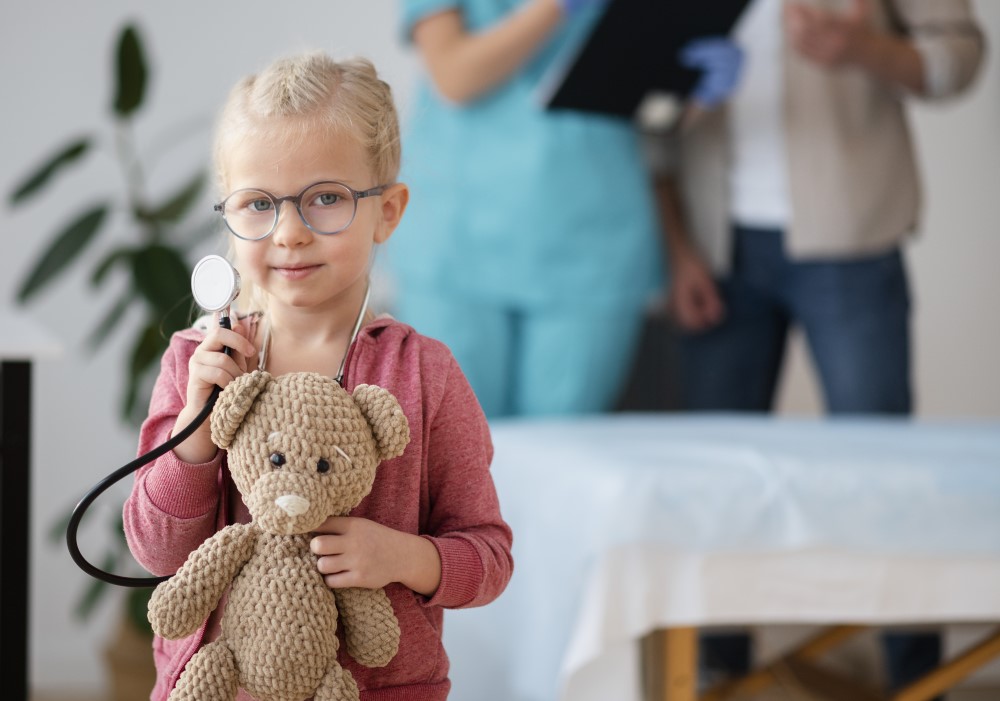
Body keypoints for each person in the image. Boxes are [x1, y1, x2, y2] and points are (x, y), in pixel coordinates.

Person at [123, 51, 513, 701]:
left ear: (387, 210)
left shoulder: (424, 374)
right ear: (229, 214)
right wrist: (195, 430)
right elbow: (158, 552)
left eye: (326, 198)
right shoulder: (196, 361)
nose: (291, 233)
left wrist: (400, 556)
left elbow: (490, 557)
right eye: (258, 204)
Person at [649, 0, 985, 693]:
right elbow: (646, 105)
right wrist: (678, 249)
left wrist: (862, 48)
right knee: (717, 480)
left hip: (853, 243)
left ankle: (918, 676)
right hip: (716, 249)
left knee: (885, 470)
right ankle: (717, 674)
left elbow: (962, 56)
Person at [388, 0, 665, 418]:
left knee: (564, 456)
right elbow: (455, 76)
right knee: (456, 448)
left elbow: (649, 102)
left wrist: (688, 87)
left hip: (594, 237)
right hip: (458, 237)